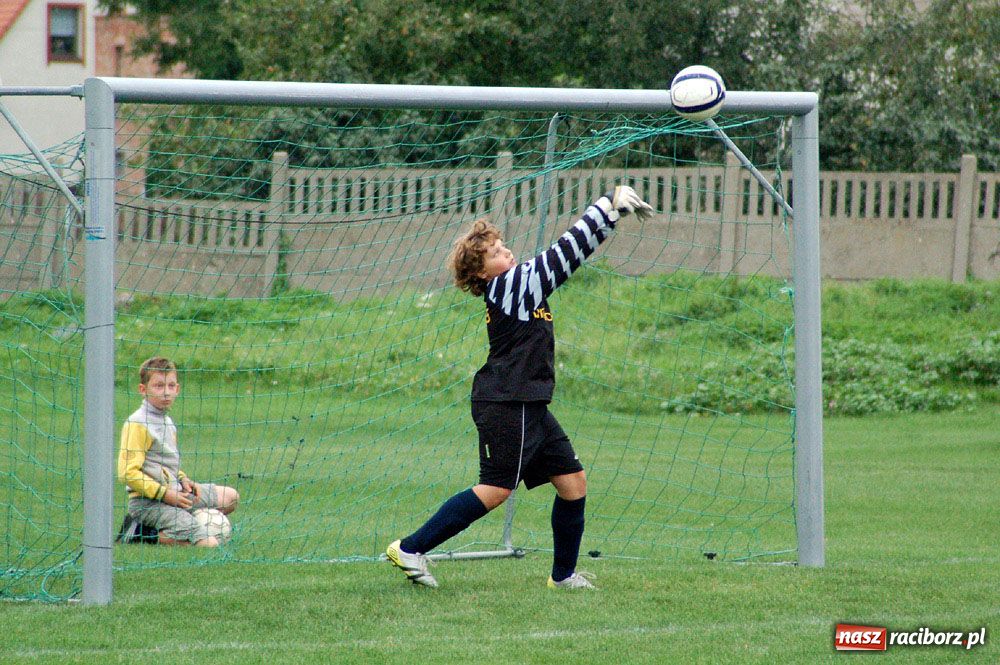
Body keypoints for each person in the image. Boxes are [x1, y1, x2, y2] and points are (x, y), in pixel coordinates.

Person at [387, 185, 653, 589]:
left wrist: (610, 217)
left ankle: (562, 577)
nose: (506, 253)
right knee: (496, 488)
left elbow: (567, 258)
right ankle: (410, 548)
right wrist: (607, 206)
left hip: (529, 404)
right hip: (507, 403)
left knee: (573, 483)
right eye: (495, 253)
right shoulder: (508, 287)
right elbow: (562, 256)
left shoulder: (519, 283)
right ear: (481, 272)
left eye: (503, 246)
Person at [117, 356, 240, 547]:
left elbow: (164, 464)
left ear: (177, 389)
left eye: (171, 386)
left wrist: (183, 479)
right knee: (209, 544)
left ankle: (184, 521)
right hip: (147, 503)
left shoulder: (167, 422)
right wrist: (166, 495)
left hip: (175, 493)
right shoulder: (137, 423)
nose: (166, 392)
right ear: (143, 389)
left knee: (230, 497)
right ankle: (141, 534)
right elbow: (128, 473)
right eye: (158, 386)